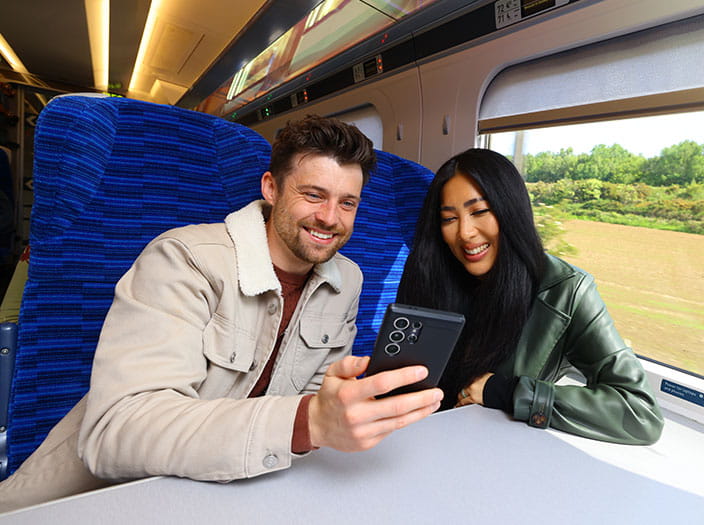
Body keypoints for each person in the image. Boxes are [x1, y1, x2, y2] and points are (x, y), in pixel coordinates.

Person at [0, 115, 443, 513]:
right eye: (313, 194)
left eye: (348, 203)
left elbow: (310, 397)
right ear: (271, 188)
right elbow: (118, 432)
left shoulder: (347, 279)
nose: (330, 218)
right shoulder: (182, 259)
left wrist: (333, 411)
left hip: (238, 490)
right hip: (98, 498)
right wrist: (309, 422)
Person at [396, 148, 663, 444]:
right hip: (416, 440)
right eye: (449, 219)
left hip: (498, 451)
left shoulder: (566, 291)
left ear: (510, 210)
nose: (465, 233)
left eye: (479, 212)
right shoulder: (428, 271)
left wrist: (508, 392)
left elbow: (640, 412)